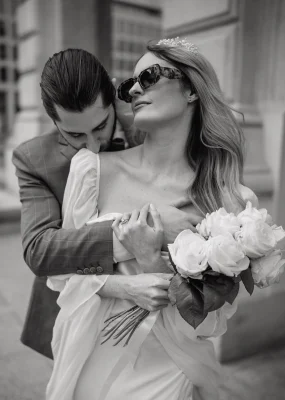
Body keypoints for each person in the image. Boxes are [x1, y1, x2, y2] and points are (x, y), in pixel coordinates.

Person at [46, 39, 259, 399]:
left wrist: (149, 260)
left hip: (170, 369)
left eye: (148, 75)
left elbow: (210, 323)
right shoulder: (92, 171)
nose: (135, 89)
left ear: (191, 88)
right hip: (91, 358)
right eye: (129, 85)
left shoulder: (231, 201)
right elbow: (61, 276)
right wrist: (126, 284)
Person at [12, 48, 201, 359]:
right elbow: (40, 250)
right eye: (74, 134)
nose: (92, 144)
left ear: (113, 94)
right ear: (52, 119)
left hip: (158, 327)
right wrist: (145, 229)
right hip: (74, 314)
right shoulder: (33, 159)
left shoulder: (151, 128)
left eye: (100, 126)